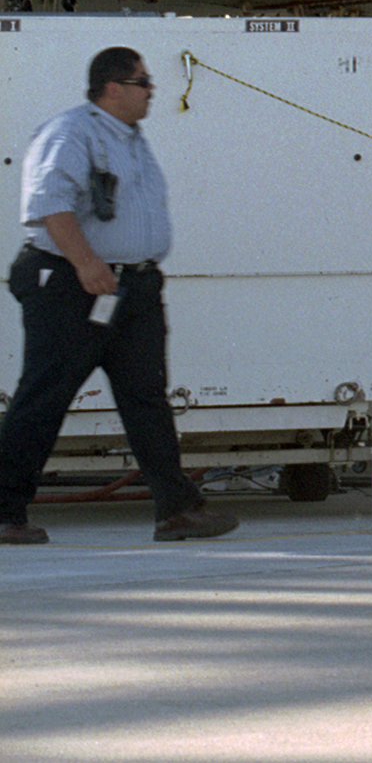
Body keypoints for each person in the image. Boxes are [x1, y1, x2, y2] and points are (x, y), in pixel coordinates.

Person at [1, 46, 239, 544]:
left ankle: (178, 511)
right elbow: (49, 205)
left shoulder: (130, 138)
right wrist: (87, 263)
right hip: (72, 284)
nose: (153, 89)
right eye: (143, 81)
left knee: (146, 398)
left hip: (131, 287)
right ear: (113, 88)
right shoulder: (70, 133)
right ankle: (4, 511)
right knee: (44, 397)